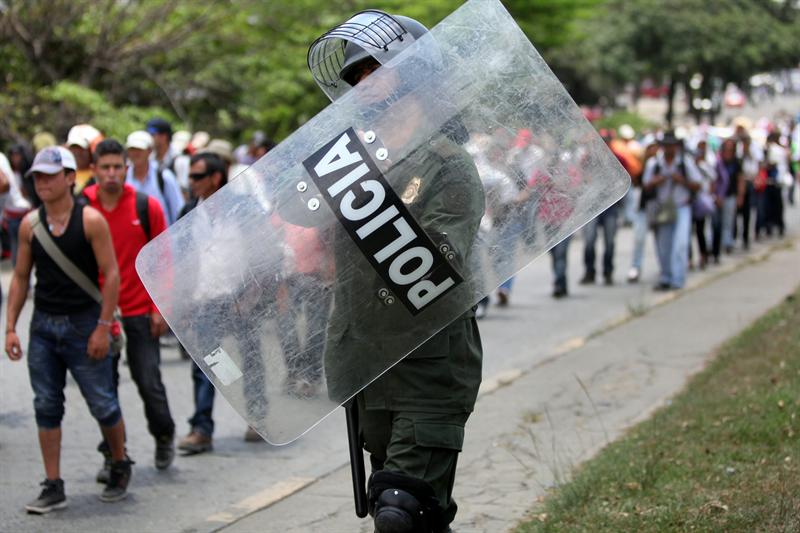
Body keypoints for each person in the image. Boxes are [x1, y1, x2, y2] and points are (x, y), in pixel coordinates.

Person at [305, 11, 485, 532]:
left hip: (429, 367)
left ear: (412, 78)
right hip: (369, 366)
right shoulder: (353, 167)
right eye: (355, 78)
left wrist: (370, 211)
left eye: (372, 73)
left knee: (399, 512)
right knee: (419, 516)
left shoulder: (447, 164)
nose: (360, 88)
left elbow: (439, 265)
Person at [4, 147, 132, 512]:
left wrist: (103, 327)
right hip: (43, 325)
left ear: (70, 178)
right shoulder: (31, 224)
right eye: (36, 177)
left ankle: (119, 463)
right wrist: (11, 327)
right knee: (46, 404)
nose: (42, 183)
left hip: (84, 323)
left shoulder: (91, 221)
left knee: (102, 402)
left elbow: (111, 276)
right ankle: (53, 483)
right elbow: (20, 278)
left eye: (49, 175)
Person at [83, 139, 176, 478]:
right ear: (94, 170)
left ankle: (164, 434)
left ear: (127, 169)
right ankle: (113, 454)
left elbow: (163, 258)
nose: (111, 174)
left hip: (139, 310)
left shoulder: (145, 206)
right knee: (103, 388)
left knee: (148, 380)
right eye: (104, 167)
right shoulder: (83, 206)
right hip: (99, 316)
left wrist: (159, 306)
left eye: (117, 167)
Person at [176, 152, 270, 449]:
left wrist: (252, 295)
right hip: (206, 302)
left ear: (216, 178)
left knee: (250, 359)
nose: (191, 182)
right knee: (209, 365)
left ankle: (257, 417)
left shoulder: (242, 210)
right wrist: (184, 303)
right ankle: (202, 428)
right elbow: (182, 261)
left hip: (240, 300)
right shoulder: (189, 213)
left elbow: (262, 252)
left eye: (197, 176)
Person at [642, 132, 701, 291]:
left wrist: (680, 180)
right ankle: (666, 277)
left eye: (672, 145)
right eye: (666, 146)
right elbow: (645, 185)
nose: (669, 149)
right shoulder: (655, 164)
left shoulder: (685, 163)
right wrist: (658, 180)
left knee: (680, 244)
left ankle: (678, 278)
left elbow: (697, 184)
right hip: (663, 207)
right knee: (664, 244)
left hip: (681, 206)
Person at [125, 130, 184, 224]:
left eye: (139, 149)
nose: (135, 153)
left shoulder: (164, 176)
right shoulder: (123, 178)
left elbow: (178, 210)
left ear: (149, 151)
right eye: (132, 149)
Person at [2, 144, 33, 265]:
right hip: (11, 218)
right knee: (16, 256)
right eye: (13, 155)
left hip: (25, 215)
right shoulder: (9, 171)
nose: (15, 158)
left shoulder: (27, 173)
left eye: (17, 155)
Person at [66, 124, 103, 195]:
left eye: (81, 148)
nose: (77, 152)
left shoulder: (100, 177)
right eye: (73, 147)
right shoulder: (63, 175)